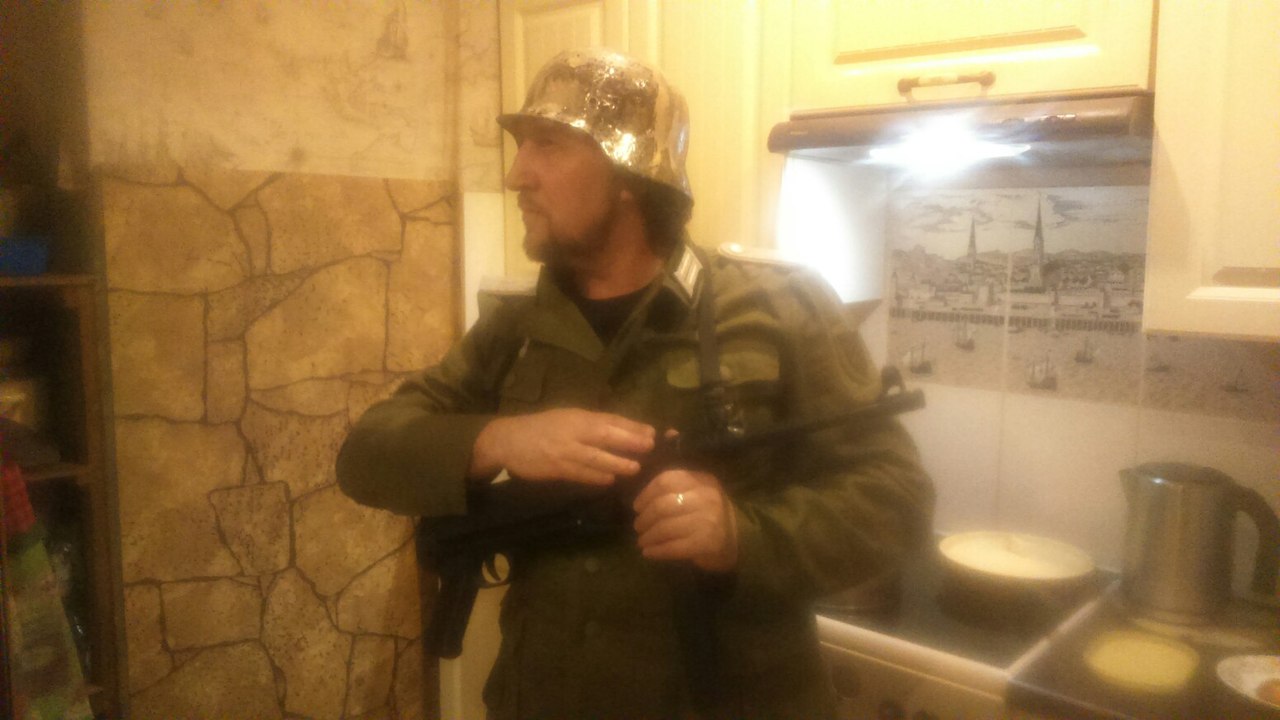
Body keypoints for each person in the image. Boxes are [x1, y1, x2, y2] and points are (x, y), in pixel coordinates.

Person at [337, 47, 933, 720]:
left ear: (628, 172)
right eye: (521, 145)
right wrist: (502, 440)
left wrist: (743, 534)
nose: (516, 174)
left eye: (548, 144)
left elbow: (898, 499)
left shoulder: (779, 306)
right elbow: (367, 454)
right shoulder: (513, 329)